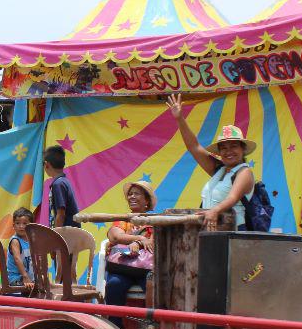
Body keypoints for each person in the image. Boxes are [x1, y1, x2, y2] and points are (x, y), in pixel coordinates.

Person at [167, 94, 255, 229]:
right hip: (212, 230)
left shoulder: (244, 172)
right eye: (224, 148)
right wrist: (179, 118)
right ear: (219, 152)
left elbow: (232, 198)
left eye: (234, 146)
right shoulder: (219, 170)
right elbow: (194, 147)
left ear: (243, 149)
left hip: (234, 233)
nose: (229, 151)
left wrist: (214, 210)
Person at [104, 181, 156, 312]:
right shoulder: (122, 220)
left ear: (146, 201)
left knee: (155, 287)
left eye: (136, 194)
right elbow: (115, 237)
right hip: (121, 269)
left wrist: (137, 244)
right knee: (114, 284)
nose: (132, 197)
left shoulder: (155, 222)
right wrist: (140, 238)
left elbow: (155, 242)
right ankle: (115, 326)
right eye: (130, 194)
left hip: (146, 270)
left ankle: (151, 325)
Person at [43, 145, 80, 227]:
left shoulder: (58, 184)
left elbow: (61, 214)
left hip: (67, 234)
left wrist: (56, 235)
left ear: (46, 164)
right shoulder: (64, 181)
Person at [6, 207, 34, 289]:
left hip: (28, 277)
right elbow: (17, 259)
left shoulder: (31, 241)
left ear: (31, 226)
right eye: (18, 223)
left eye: (25, 223)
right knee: (32, 290)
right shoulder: (15, 241)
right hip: (16, 278)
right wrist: (25, 277)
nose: (21, 226)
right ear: (13, 226)